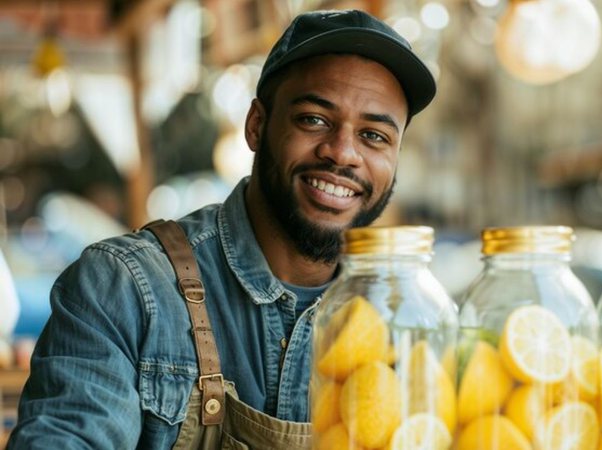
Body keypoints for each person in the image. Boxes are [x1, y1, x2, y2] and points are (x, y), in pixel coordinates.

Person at [8, 9, 436, 449]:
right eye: (314, 119)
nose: (343, 153)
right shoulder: (124, 289)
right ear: (256, 125)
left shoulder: (408, 319)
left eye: (375, 136)